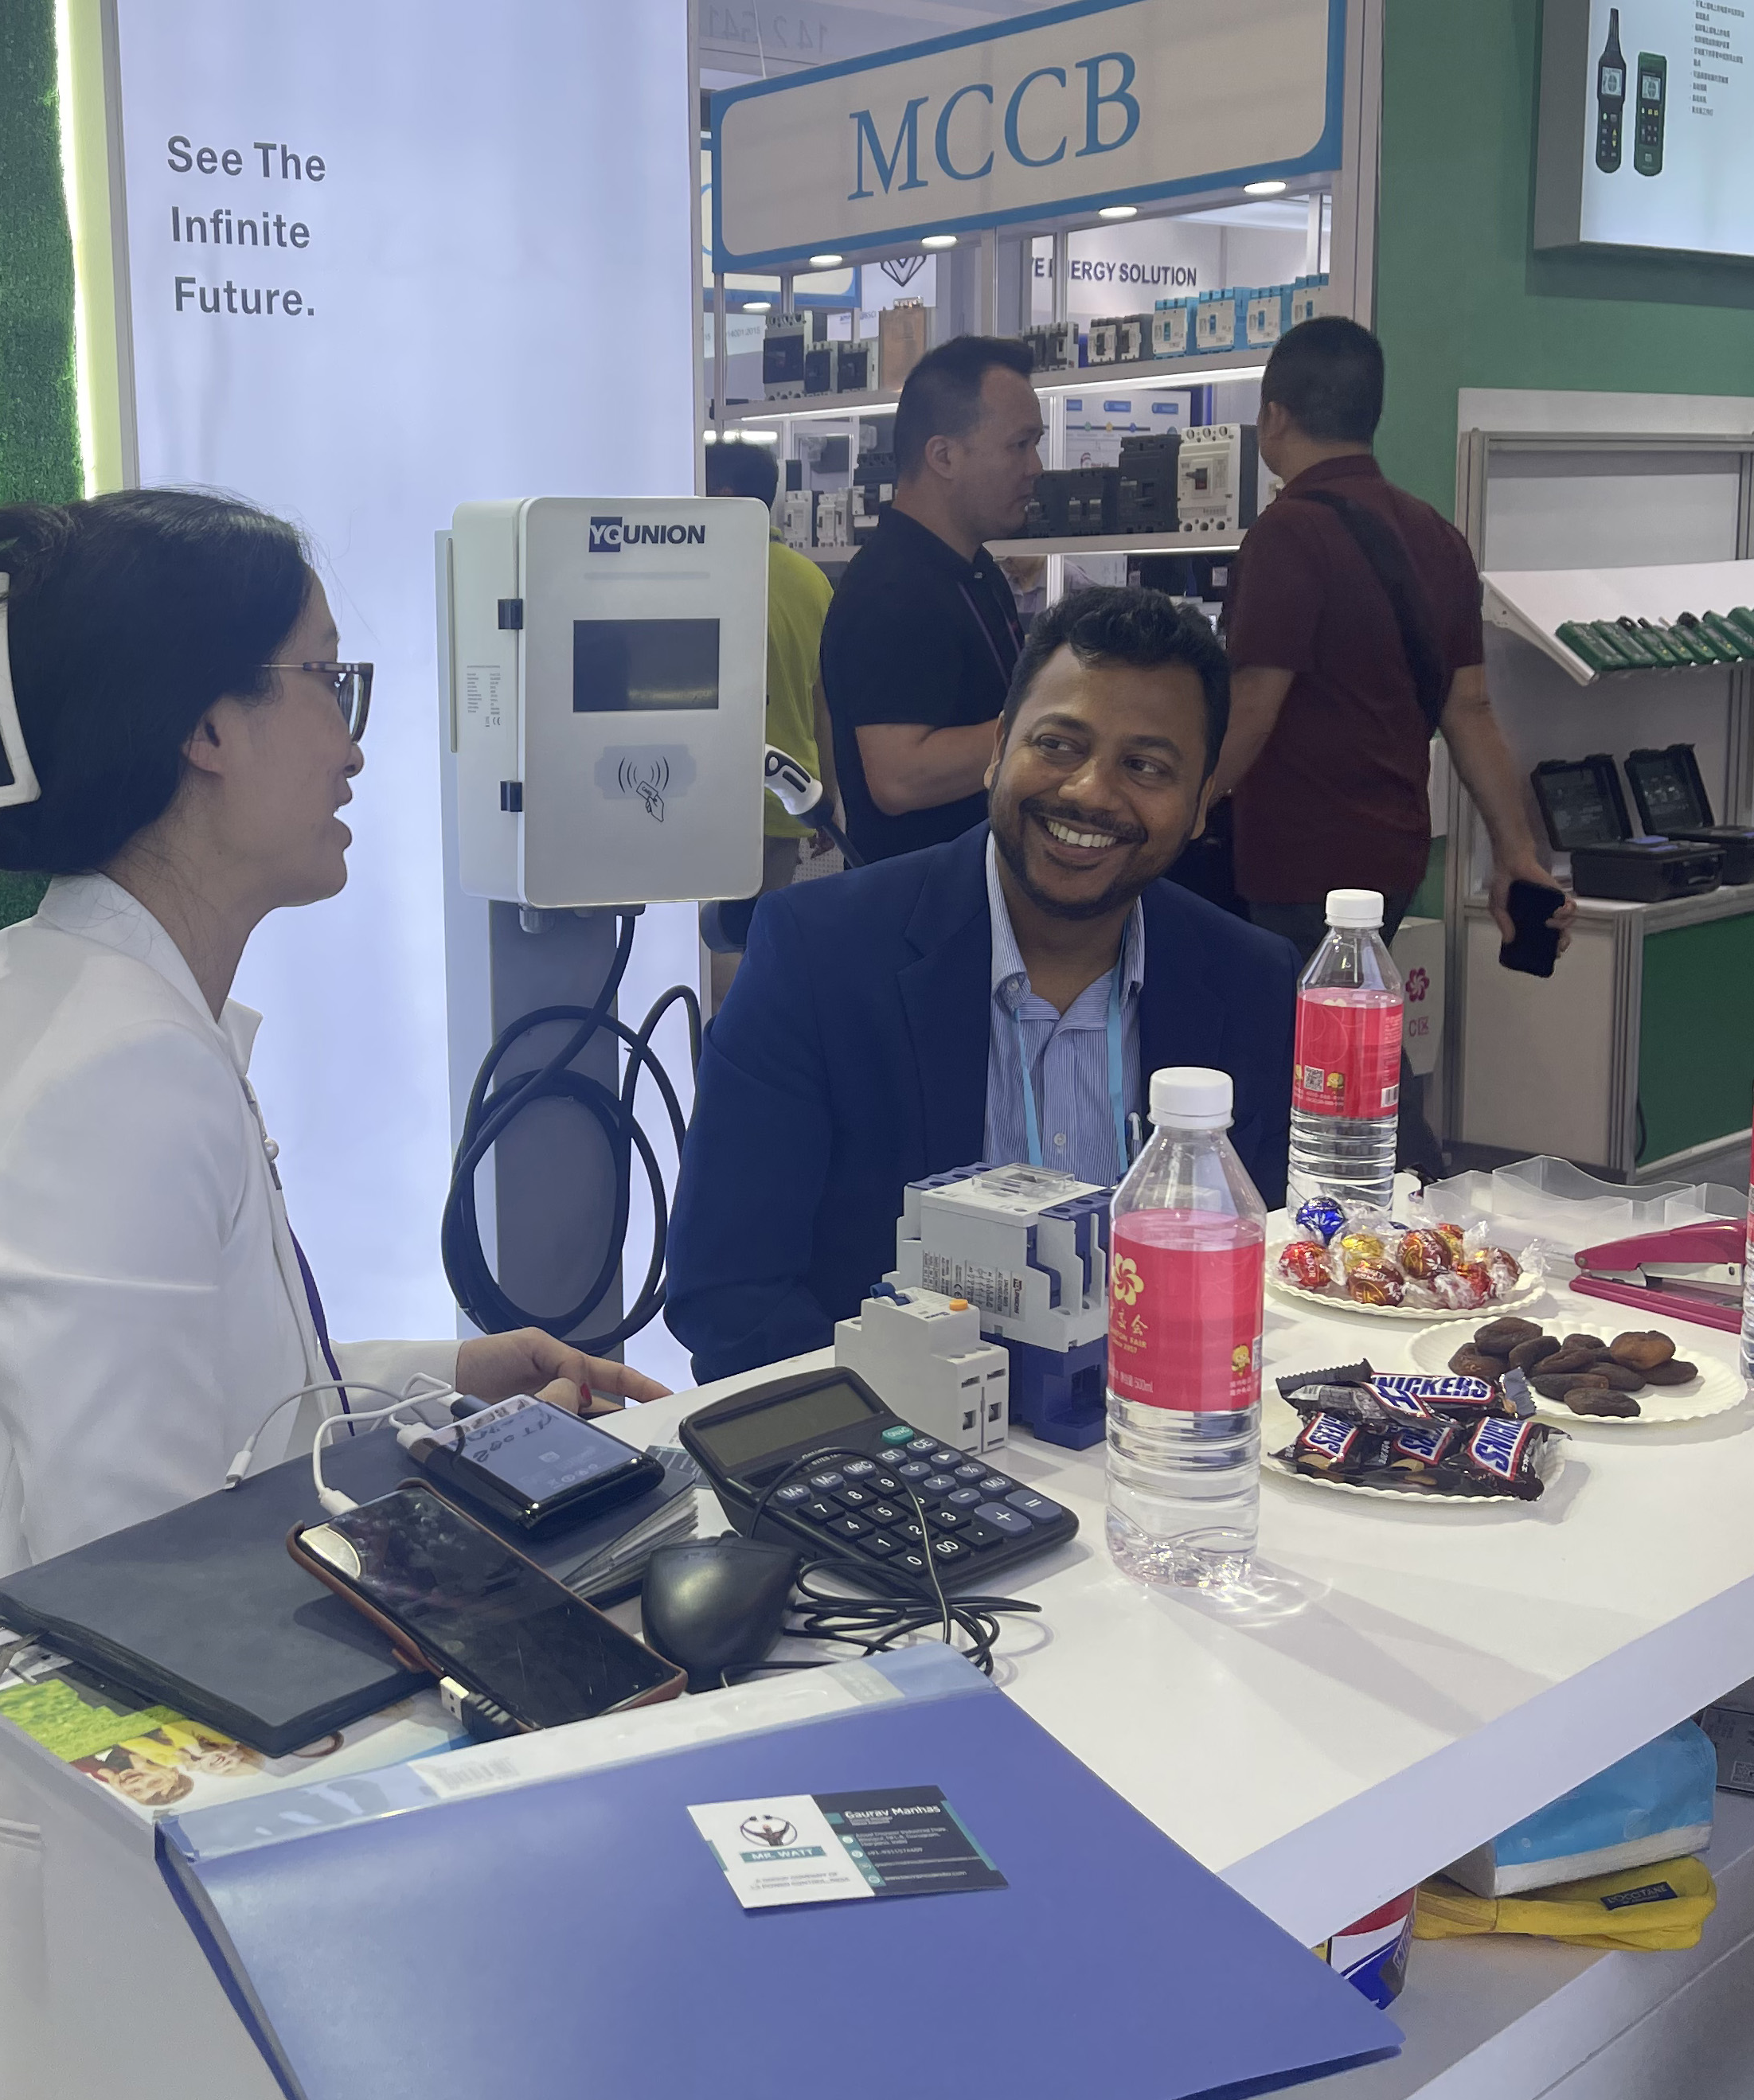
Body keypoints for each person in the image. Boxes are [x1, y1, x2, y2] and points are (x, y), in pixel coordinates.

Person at [0, 491, 664, 2100]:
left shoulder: (122, 1024)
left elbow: (228, 1404)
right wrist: (486, 1570)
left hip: (125, 1868)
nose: (354, 744)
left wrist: (450, 1377)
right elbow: (150, 1573)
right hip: (78, 1930)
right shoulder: (108, 1075)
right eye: (327, 680)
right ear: (205, 727)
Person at [666, 586, 1300, 1382]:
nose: (1089, 791)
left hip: (1165, 1428)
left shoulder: (1251, 982)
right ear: (999, 748)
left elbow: (1294, 1258)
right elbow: (730, 1296)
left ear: (1203, 802)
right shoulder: (817, 955)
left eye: (1146, 765)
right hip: (899, 1436)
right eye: (1059, 744)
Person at [1216, 316, 1574, 962]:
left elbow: (1252, 706)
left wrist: (1180, 810)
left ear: (1273, 416)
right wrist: (1516, 853)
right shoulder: (1437, 535)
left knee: (1299, 1020)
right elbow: (1471, 710)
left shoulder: (1286, 533)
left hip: (1299, 859)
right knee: (1356, 1008)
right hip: (1394, 857)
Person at [818, 334, 1046, 864]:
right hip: (921, 900)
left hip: (983, 886)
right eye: (1019, 445)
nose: (1035, 466)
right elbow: (900, 777)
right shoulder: (893, 589)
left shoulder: (975, 571)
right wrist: (1051, 726)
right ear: (943, 455)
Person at [703, 439, 838, 1005]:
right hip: (788, 798)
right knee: (754, 954)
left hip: (710, 802)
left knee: (711, 965)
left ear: (724, 497)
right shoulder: (811, 580)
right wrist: (828, 798)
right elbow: (824, 703)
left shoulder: (704, 575)